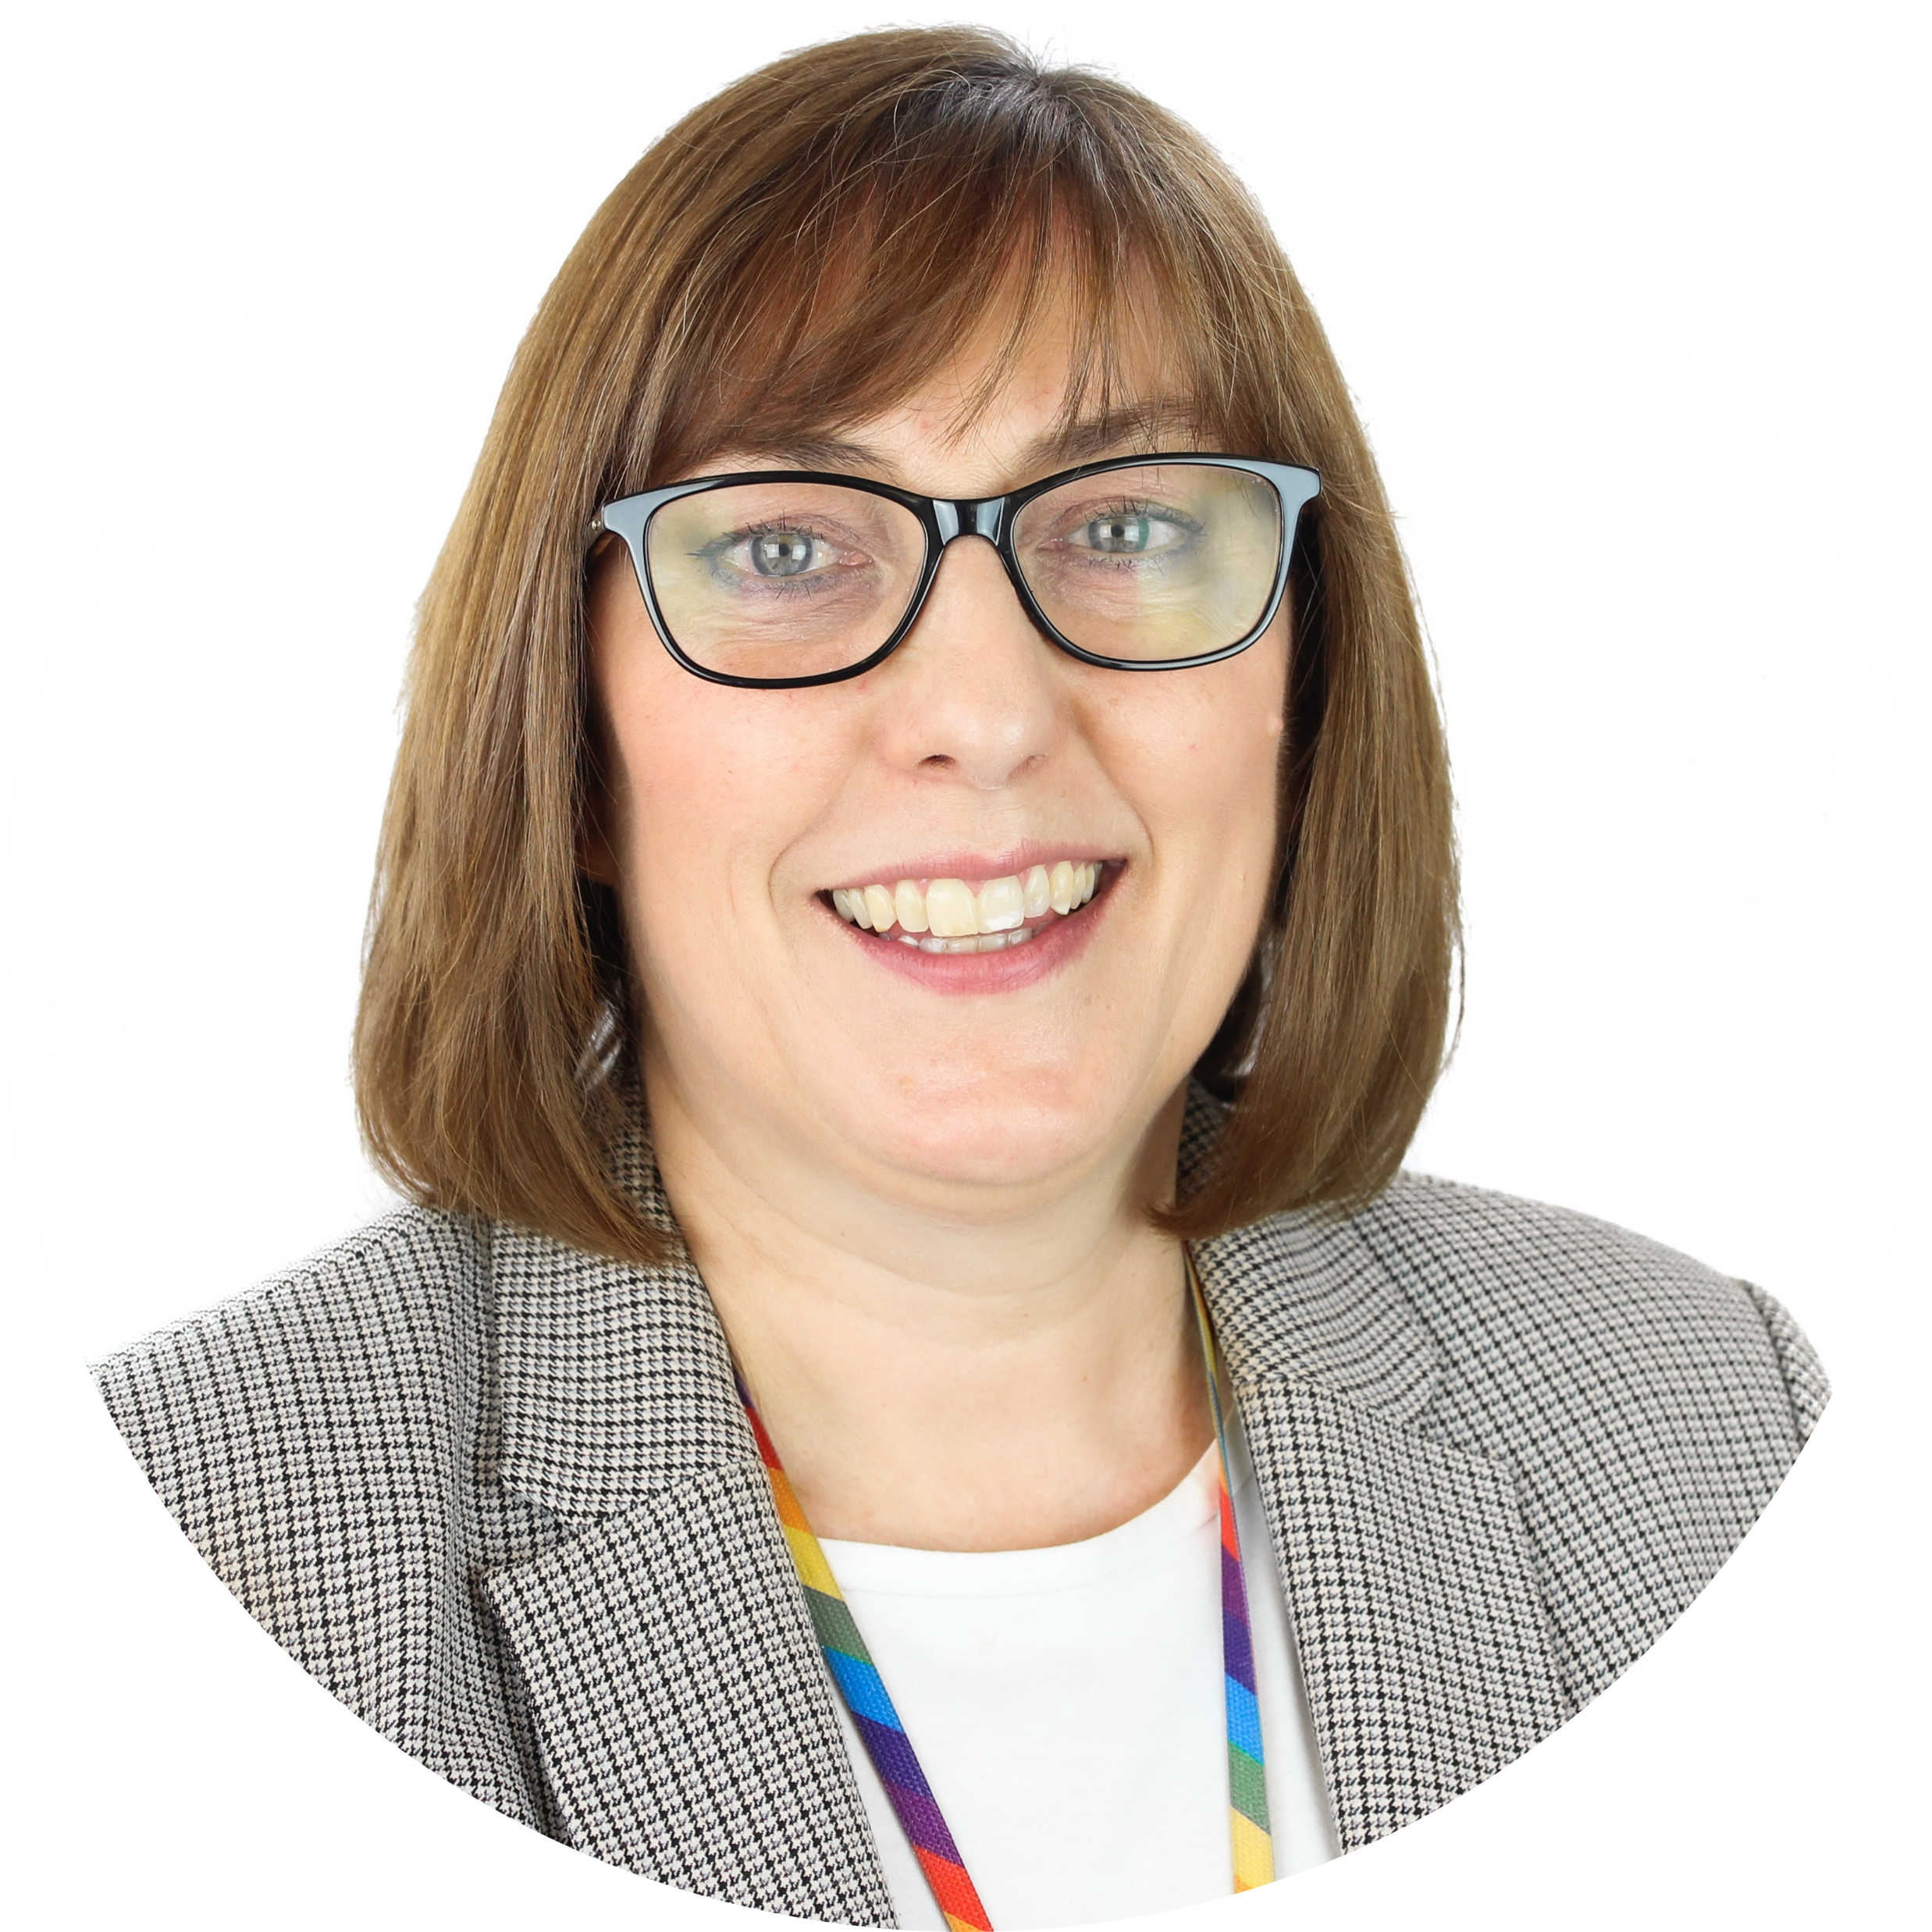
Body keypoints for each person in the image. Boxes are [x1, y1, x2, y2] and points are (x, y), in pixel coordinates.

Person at [91, 27, 1827, 1926]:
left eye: (1128, 526)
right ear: (568, 734)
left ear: (1305, 681)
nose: (989, 715)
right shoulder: (234, 1522)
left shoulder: (1700, 1425)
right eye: (785, 545)